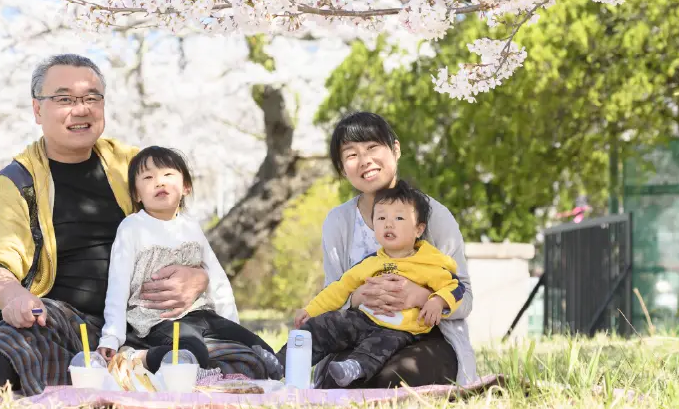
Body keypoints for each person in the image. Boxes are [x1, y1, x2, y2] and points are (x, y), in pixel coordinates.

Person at [0, 54, 266, 396]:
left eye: (91, 98)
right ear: (38, 110)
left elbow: (181, 231)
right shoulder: (16, 182)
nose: (80, 109)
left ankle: (137, 363)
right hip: (63, 319)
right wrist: (13, 297)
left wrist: (199, 277)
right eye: (65, 99)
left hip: (145, 321)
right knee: (21, 344)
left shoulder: (134, 165)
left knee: (243, 361)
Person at [313, 111, 478, 388]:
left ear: (395, 149)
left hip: (424, 336)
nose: (364, 160)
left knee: (397, 378)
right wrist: (356, 298)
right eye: (351, 154)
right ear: (343, 169)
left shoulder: (433, 215)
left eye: (372, 147)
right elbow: (333, 293)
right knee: (340, 379)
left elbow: (465, 296)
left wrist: (424, 297)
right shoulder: (338, 222)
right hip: (359, 332)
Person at [96, 146, 282, 378]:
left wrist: (232, 325)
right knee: (192, 351)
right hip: (158, 320)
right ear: (136, 194)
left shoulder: (190, 226)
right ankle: (139, 357)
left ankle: (264, 374)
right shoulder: (132, 227)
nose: (159, 182)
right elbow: (118, 284)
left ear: (186, 187)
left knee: (258, 348)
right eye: (148, 177)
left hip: (203, 315)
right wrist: (112, 336)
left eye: (168, 175)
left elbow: (216, 278)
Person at [278, 181, 464, 386]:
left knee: (378, 346)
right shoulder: (371, 262)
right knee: (324, 325)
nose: (388, 224)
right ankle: (279, 362)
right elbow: (339, 288)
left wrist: (436, 301)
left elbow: (455, 287)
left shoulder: (429, 262)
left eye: (399, 218)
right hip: (362, 318)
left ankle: (355, 368)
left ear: (419, 229)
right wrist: (311, 310)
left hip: (399, 329)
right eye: (381, 218)